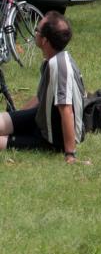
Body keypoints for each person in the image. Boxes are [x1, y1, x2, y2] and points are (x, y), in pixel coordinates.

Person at [0, 12, 87, 163]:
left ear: (45, 40)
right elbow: (40, 98)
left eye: (37, 30)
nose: (34, 32)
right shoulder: (52, 60)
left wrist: (70, 154)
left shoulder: (59, 66)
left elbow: (66, 110)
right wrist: (17, 117)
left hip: (52, 138)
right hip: (42, 119)